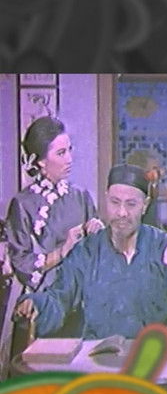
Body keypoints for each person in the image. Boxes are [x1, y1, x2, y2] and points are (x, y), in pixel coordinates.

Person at [14, 164, 167, 340]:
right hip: (97, 352)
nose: (122, 213)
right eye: (115, 202)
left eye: (131, 204)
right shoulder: (86, 251)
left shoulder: (164, 247)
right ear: (106, 199)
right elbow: (59, 298)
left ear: (145, 205)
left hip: (153, 350)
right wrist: (36, 305)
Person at [7, 116, 103, 293]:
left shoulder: (80, 196)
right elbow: (21, 262)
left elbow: (99, 253)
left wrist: (97, 232)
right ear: (41, 161)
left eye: (69, 150)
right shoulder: (23, 204)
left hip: (82, 293)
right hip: (45, 293)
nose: (69, 159)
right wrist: (61, 252)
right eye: (61, 153)